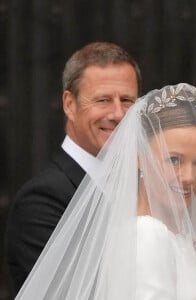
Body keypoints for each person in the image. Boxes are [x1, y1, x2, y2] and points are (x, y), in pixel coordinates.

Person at [15, 83, 196, 299]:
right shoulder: (148, 236)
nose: (188, 177)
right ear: (140, 156)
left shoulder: (176, 237)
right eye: (173, 160)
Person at [5, 41, 141, 294]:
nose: (118, 114)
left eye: (127, 100)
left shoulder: (146, 187)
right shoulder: (41, 202)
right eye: (102, 100)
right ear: (69, 104)